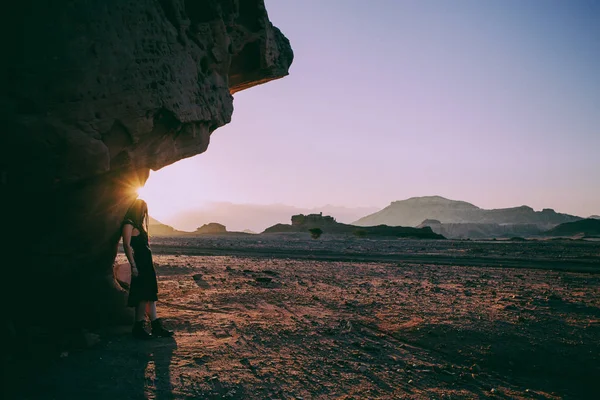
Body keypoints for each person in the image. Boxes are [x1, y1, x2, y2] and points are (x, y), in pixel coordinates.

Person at [121, 199, 173, 339]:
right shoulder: (129, 223)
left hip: (146, 264)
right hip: (139, 264)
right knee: (142, 295)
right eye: (143, 210)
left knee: (150, 295)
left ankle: (156, 326)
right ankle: (138, 327)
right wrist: (133, 265)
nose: (144, 213)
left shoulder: (137, 225)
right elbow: (126, 245)